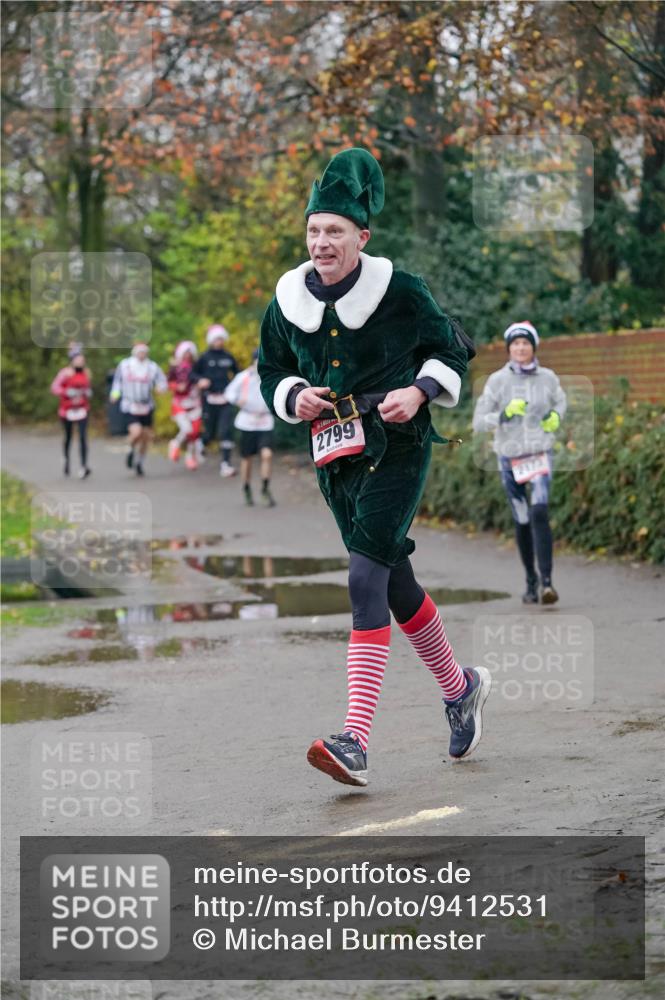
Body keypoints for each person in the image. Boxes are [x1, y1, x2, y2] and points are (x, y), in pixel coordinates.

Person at [258, 147, 488, 788]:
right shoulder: (285, 300)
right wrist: (291, 395)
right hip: (334, 458)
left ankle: (355, 740)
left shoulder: (401, 290)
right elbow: (270, 369)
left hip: (398, 445)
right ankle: (461, 687)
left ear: (362, 235)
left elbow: (451, 348)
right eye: (313, 230)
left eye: (334, 230)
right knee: (393, 582)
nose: (321, 242)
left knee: (364, 577)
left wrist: (418, 392)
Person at [472, 320, 567, 605]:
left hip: (539, 453)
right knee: (523, 519)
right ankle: (530, 580)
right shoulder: (497, 381)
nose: (521, 348)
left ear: (533, 347)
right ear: (509, 348)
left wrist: (556, 417)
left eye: (526, 343)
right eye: (515, 344)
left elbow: (561, 402)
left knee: (539, 510)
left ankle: (547, 583)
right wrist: (503, 414)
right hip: (509, 457)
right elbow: (478, 422)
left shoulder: (548, 377)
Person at [224, 348, 276, 507]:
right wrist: (237, 400)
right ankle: (246, 487)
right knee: (247, 459)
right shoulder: (244, 377)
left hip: (265, 421)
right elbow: (229, 393)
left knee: (267, 455)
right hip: (247, 422)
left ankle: (265, 488)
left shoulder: (271, 376)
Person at [109, 342, 168, 476]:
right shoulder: (125, 365)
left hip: (146, 405)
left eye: (144, 352)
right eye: (139, 351)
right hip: (130, 405)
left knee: (146, 437)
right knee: (136, 432)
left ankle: (139, 462)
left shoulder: (152, 367)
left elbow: (162, 381)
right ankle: (130, 449)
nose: (142, 354)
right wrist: (114, 395)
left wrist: (161, 388)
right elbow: (117, 383)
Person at [194, 325, 239, 477]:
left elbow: (238, 375)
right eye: (216, 339)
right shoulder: (204, 357)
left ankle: (226, 463)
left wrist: (236, 391)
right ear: (211, 340)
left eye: (221, 338)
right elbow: (192, 374)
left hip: (225, 399)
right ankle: (200, 443)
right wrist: (200, 380)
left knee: (225, 431)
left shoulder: (228, 356)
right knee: (210, 433)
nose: (219, 341)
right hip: (209, 399)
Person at [50, 345, 92, 478]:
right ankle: (66, 460)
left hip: (82, 409)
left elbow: (87, 388)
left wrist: (87, 392)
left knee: (83, 437)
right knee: (68, 437)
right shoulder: (65, 373)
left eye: (82, 359)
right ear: (72, 360)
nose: (81, 361)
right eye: (78, 359)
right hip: (67, 410)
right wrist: (66, 391)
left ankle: (83, 466)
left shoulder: (86, 373)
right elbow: (54, 387)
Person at [167, 340, 203, 470]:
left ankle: (189, 457)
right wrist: (177, 386)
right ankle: (175, 444)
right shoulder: (176, 367)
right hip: (180, 403)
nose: (188, 355)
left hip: (195, 402)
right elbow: (168, 382)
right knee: (186, 429)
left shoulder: (198, 366)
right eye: (185, 352)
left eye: (190, 352)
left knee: (194, 433)